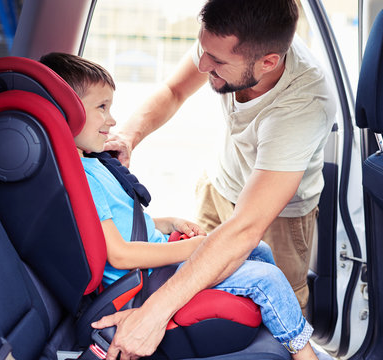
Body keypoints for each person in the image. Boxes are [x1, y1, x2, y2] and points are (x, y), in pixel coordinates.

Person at [39, 52, 318, 359]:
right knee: (268, 280)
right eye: (102, 108)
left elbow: (112, 224)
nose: (113, 119)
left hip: (154, 267)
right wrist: (195, 249)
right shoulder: (83, 179)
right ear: (67, 113)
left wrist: (166, 223)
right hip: (141, 282)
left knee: (260, 251)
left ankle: (276, 323)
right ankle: (303, 351)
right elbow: (119, 254)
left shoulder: (92, 166)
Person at [102, 0, 335, 342]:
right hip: (220, 185)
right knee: (195, 292)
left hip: (278, 216)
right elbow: (173, 90)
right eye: (203, 49)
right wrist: (127, 136)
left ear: (268, 62)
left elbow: (245, 228)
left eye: (217, 62)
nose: (201, 63)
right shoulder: (224, 44)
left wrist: (151, 314)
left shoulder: (303, 105)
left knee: (276, 312)